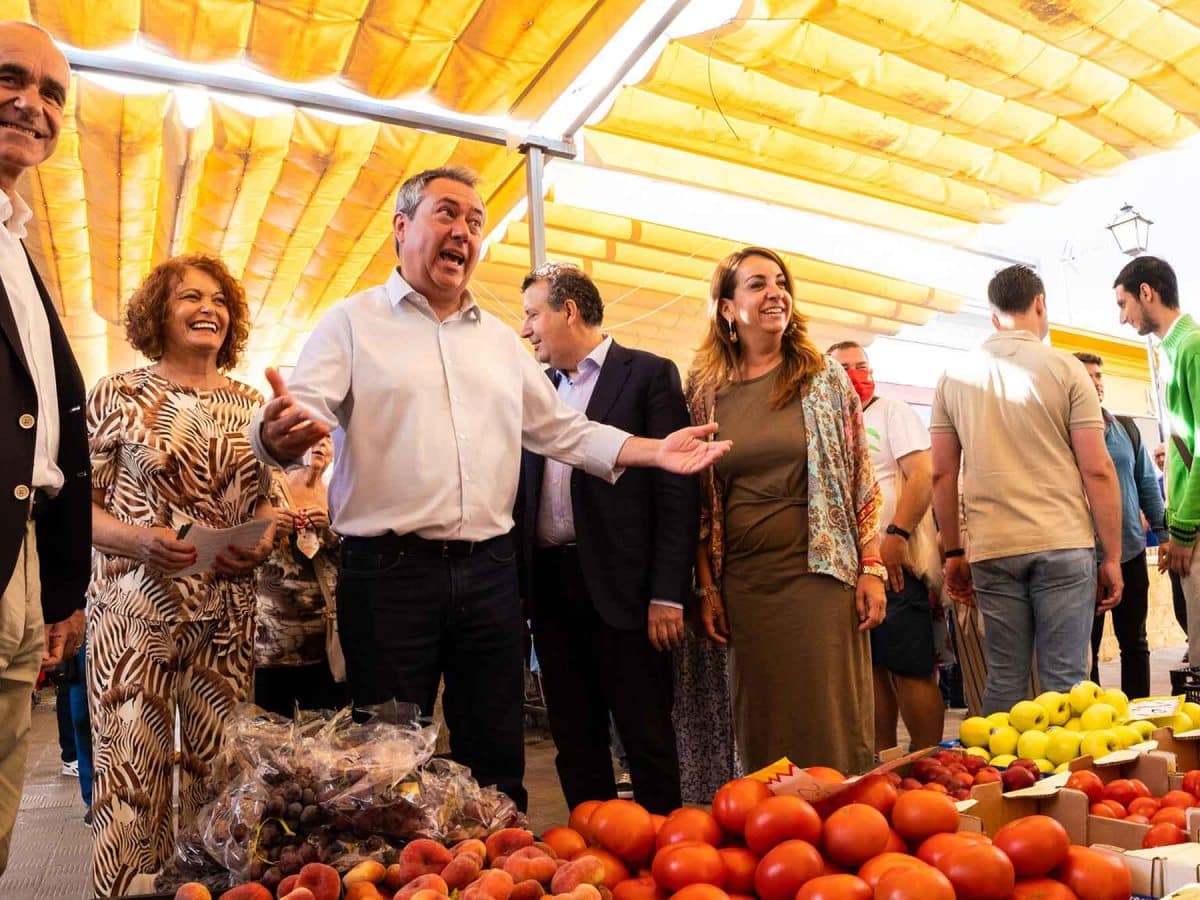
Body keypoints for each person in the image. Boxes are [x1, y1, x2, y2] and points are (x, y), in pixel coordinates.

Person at [248, 166, 729, 811]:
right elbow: (300, 417)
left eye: (475, 223)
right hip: (390, 577)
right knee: (391, 759)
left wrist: (653, 451)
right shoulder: (351, 324)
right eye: (447, 214)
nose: (465, 232)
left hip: (490, 574)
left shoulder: (502, 344)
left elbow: (564, 431)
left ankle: (499, 873)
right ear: (401, 226)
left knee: (496, 754)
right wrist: (276, 436)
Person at [87, 254, 274, 897]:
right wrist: (141, 540)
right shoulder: (115, 395)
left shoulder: (253, 406)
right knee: (129, 772)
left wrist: (263, 538)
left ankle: (206, 891)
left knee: (217, 772)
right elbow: (79, 508)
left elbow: (264, 503)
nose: (209, 309)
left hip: (225, 616)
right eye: (190, 297)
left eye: (220, 300)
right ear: (156, 315)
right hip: (133, 613)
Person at [688, 246, 885, 775]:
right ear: (727, 308)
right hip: (746, 585)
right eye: (756, 284)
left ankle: (846, 835)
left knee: (829, 717)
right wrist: (707, 586)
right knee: (763, 723)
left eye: (780, 282)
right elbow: (701, 506)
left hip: (821, 576)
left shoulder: (824, 379)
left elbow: (859, 479)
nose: (775, 292)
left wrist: (872, 568)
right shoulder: (705, 393)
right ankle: (777, 842)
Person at [514, 262, 697, 814]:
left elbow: (676, 491)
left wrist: (668, 592)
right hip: (550, 586)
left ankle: (667, 856)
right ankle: (592, 853)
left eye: (531, 314)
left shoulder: (646, 374)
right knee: (574, 737)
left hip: (627, 591)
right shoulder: (537, 390)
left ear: (568, 311)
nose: (525, 330)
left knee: (645, 736)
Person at [931, 264, 1122, 714]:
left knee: (1004, 675)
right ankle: (1068, 784)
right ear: (1040, 304)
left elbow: (941, 473)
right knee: (1066, 679)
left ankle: (1004, 781)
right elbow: (1097, 469)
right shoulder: (1066, 369)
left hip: (994, 546)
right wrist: (1111, 556)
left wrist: (953, 552)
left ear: (993, 316)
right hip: (1063, 540)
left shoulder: (954, 375)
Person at [0, 21, 89, 875]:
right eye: (10, 79)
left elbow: (47, 429)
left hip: (25, 549)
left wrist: (59, 585)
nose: (32, 103)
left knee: (2, 773)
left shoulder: (17, 242)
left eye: (52, 91)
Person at [828, 340, 944, 751]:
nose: (857, 374)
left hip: (893, 562)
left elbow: (921, 475)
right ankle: (881, 763)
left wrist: (897, 535)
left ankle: (928, 757)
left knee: (909, 666)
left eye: (863, 366)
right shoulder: (827, 423)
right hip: (847, 569)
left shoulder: (893, 412)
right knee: (870, 670)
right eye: (844, 368)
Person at [1113, 256, 1200, 663]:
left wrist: (1181, 528)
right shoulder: (1177, 350)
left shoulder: (1191, 347)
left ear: (1146, 292)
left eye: (1123, 303)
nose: (1122, 317)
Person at [1074, 351, 1166, 699]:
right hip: (1084, 559)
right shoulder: (1062, 434)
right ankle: (1096, 721)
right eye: (1087, 377)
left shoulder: (1124, 427)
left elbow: (1146, 483)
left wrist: (1165, 533)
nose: (1096, 383)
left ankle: (1140, 715)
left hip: (1130, 552)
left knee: (1136, 643)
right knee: (1087, 650)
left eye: (1099, 376)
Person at [254, 435, 349, 716]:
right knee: (271, 734)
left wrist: (333, 529)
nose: (320, 444)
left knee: (323, 731)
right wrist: (269, 528)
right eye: (311, 438)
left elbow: (359, 554)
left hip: (327, 638)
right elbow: (243, 538)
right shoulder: (267, 484)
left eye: (327, 439)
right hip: (273, 637)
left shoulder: (337, 491)